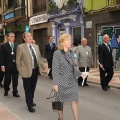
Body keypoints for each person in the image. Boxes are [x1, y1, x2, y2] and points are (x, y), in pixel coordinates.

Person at [52, 34, 86, 120]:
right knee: (60, 101)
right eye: (67, 40)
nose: (70, 41)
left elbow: (74, 67)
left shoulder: (72, 53)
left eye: (70, 40)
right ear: (62, 43)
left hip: (72, 81)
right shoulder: (57, 54)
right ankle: (60, 118)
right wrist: (55, 84)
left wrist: (80, 74)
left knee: (74, 101)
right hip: (61, 82)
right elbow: (55, 69)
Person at [16, 32, 48, 113]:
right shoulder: (20, 47)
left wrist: (44, 67)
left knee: (32, 87)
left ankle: (31, 100)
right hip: (26, 71)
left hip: (35, 70)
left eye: (30, 36)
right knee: (27, 89)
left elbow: (39, 59)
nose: (30, 37)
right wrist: (20, 71)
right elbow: (18, 60)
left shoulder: (36, 46)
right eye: (28, 36)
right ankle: (29, 105)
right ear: (24, 38)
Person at [0, 33, 20, 97]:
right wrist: (2, 65)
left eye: (14, 36)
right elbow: (2, 56)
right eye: (11, 36)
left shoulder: (17, 45)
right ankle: (6, 90)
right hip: (7, 65)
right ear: (8, 37)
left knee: (15, 79)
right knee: (7, 79)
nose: (13, 37)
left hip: (15, 65)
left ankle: (15, 92)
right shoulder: (4, 45)